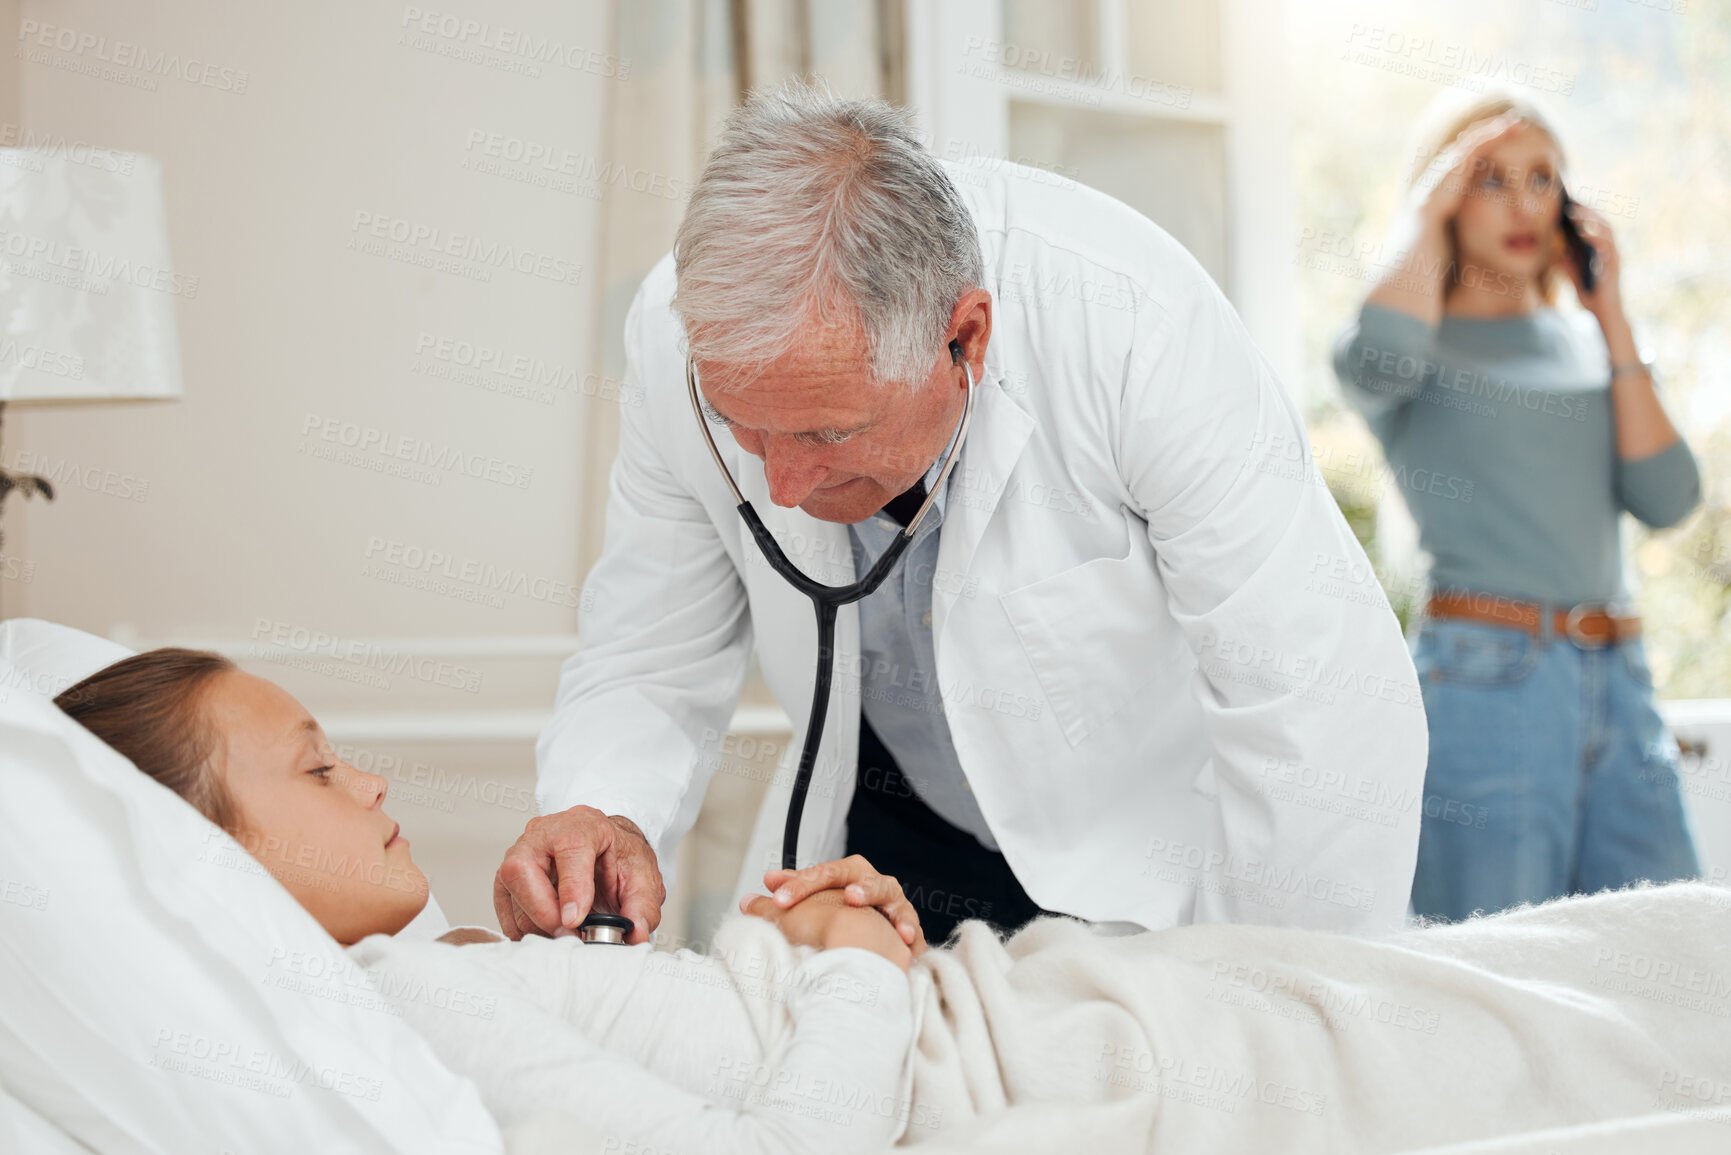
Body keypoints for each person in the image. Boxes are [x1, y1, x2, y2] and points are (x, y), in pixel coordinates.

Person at [52, 649, 1731, 1154]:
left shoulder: (419, 977)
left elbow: (669, 1077)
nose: (374, 783)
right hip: (1046, 1069)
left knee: (1587, 980)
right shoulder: (401, 1017)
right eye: (320, 767)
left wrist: (768, 948)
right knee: (1597, 1016)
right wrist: (845, 964)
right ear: (205, 847)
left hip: (1018, 1009)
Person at [499, 81, 1428, 948]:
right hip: (888, 841)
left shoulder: (1130, 324)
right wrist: (602, 807)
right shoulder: (678, 338)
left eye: (826, 430)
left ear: (965, 338)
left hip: (1139, 864)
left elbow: (1318, 695)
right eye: (746, 428)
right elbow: (648, 645)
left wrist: (1272, 998)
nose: (781, 486)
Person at [1332, 90, 1701, 922]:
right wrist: (1426, 214)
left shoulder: (1588, 347)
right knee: (1498, 970)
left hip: (1619, 680)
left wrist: (1609, 315)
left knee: (1674, 958)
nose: (1524, 202)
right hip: (1485, 679)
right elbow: (1377, 361)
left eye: (1542, 178)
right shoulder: (1406, 343)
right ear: (1444, 194)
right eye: (1488, 177)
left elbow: (1667, 496)